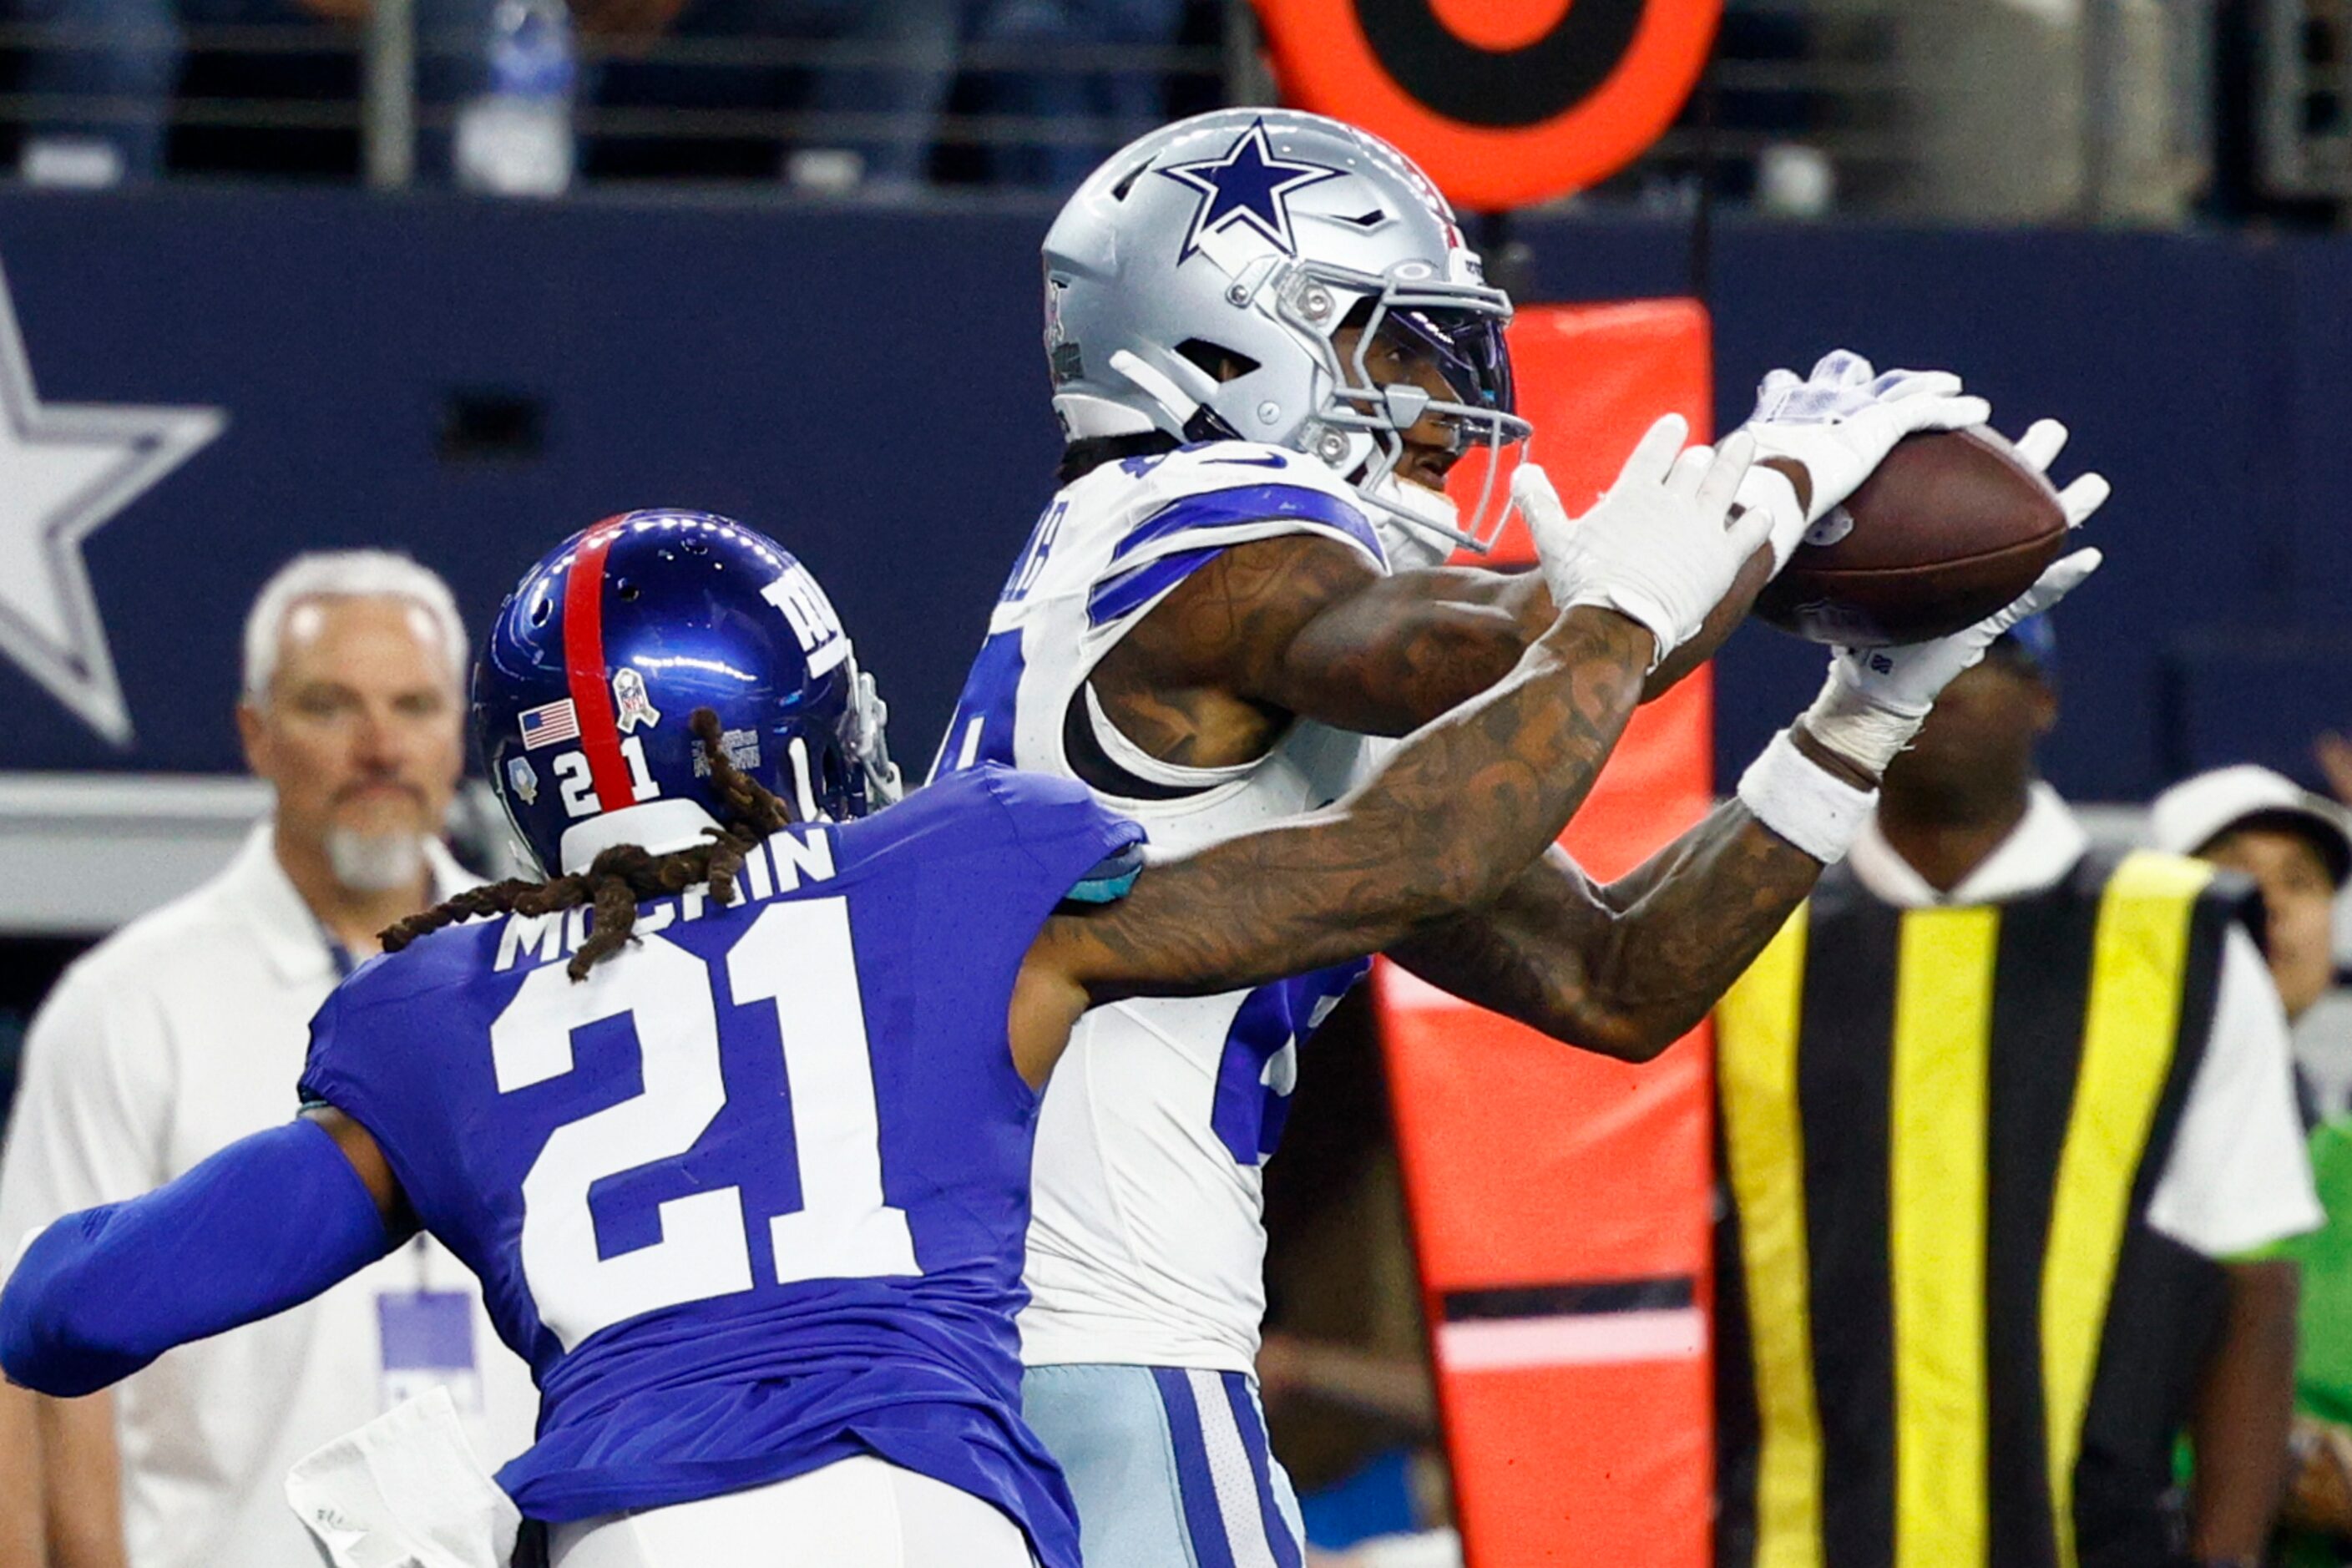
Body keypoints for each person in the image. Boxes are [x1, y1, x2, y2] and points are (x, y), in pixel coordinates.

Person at [3, 459, 1777, 1568]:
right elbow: (1405, 859)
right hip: (940, 1517)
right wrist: (1614, 622)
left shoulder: (441, 1009)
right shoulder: (954, 877)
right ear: (792, 724)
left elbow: (76, 1310)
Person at [931, 104, 2107, 1566]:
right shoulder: (1191, 508)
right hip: (1098, 1345)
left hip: (1021, 1342)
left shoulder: (1209, 665)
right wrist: (1768, 489)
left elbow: (1607, 978)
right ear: (1222, 338)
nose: (1441, 402)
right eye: (1391, 344)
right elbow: (1482, 648)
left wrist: (1854, 723)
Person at [1714, 621, 2323, 1568]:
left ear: (2047, 698)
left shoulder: (2179, 939)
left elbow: (2253, 1285)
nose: (1946, 683)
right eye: (1904, 658)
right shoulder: (1747, 946)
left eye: (1986, 655)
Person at [0, 551, 536, 1568]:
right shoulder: (127, 1004)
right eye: (331, 707)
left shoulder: (542, 982)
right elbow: (34, 1384)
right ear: (256, 734)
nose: (379, 747)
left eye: (413, 706)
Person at [2154, 765, 2352, 1565]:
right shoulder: (2074, 1142)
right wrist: (2272, 1457)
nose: (2270, 903)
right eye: (2232, 871)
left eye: (2300, 882)